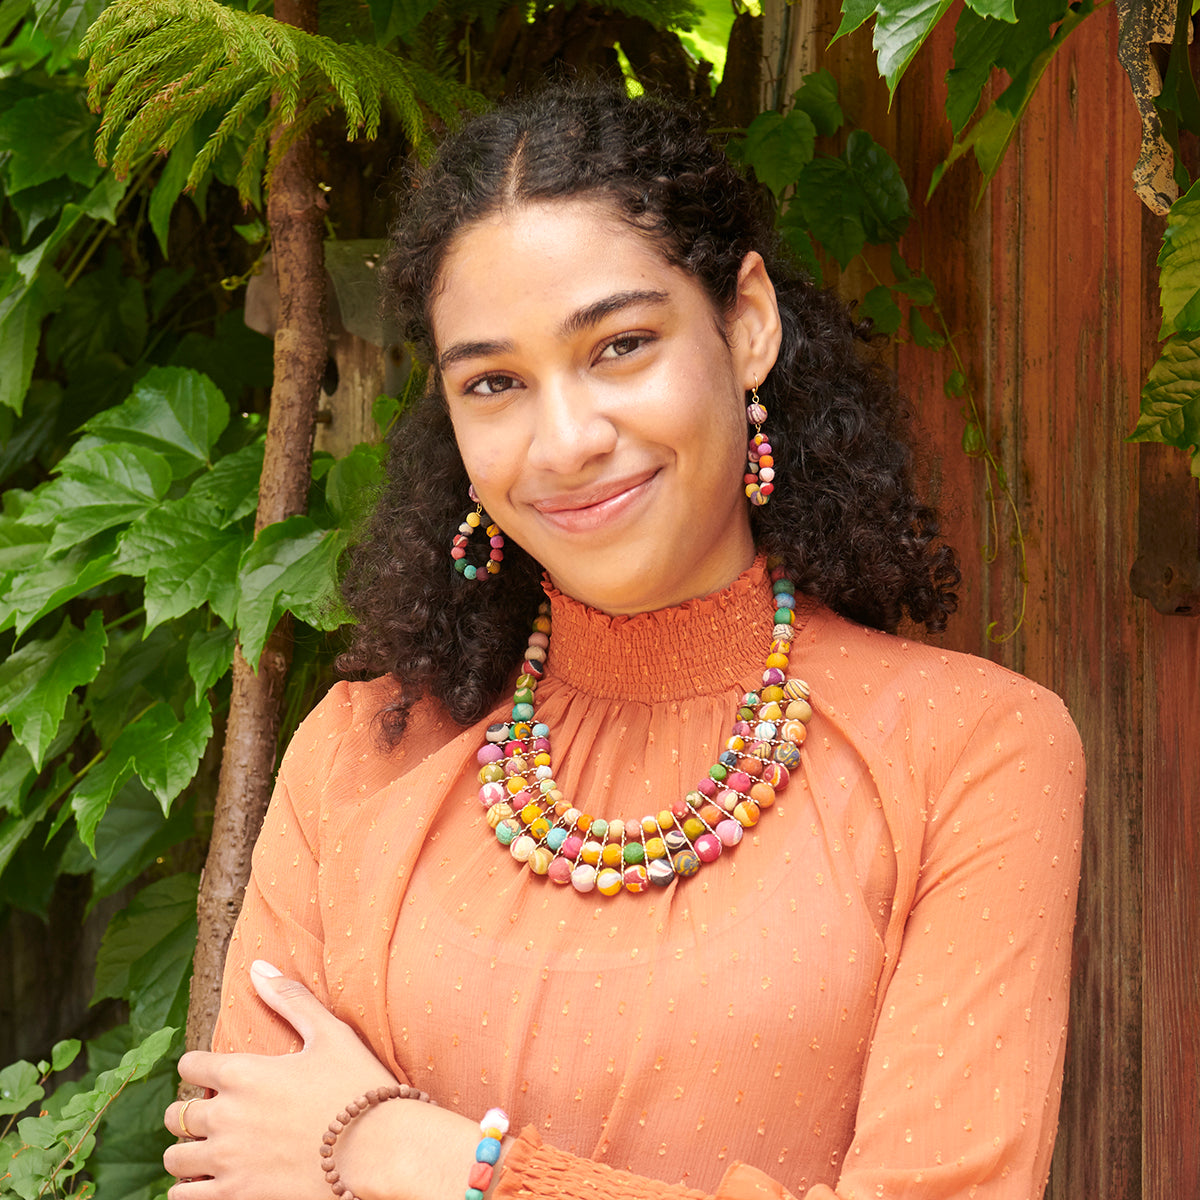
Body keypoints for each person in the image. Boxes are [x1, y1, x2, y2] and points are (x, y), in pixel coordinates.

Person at [162, 85, 1085, 1200]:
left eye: (621, 345)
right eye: (494, 382)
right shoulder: (358, 755)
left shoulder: (973, 752)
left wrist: (411, 1154)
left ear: (745, 324)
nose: (565, 441)